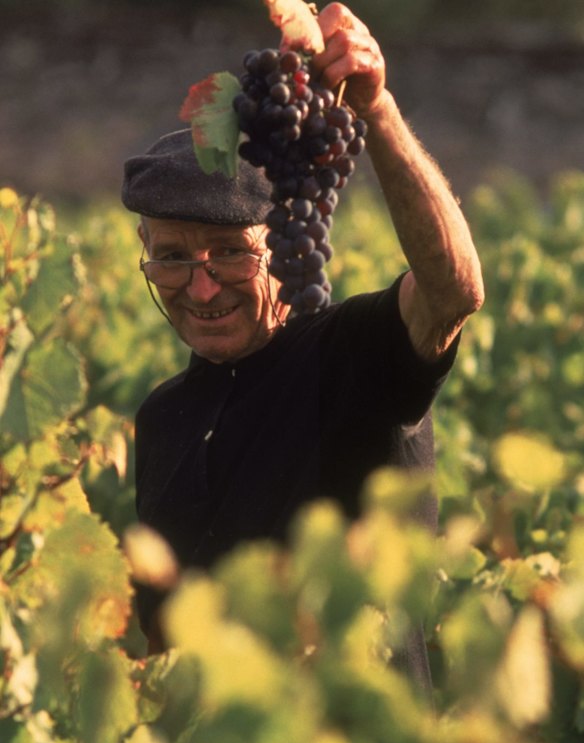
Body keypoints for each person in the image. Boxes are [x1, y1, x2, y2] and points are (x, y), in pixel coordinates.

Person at [121, 2, 484, 688]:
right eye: (171, 259)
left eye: (230, 254)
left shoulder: (353, 357)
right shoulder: (162, 418)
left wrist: (376, 112)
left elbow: (453, 291)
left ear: (284, 244)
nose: (200, 289)